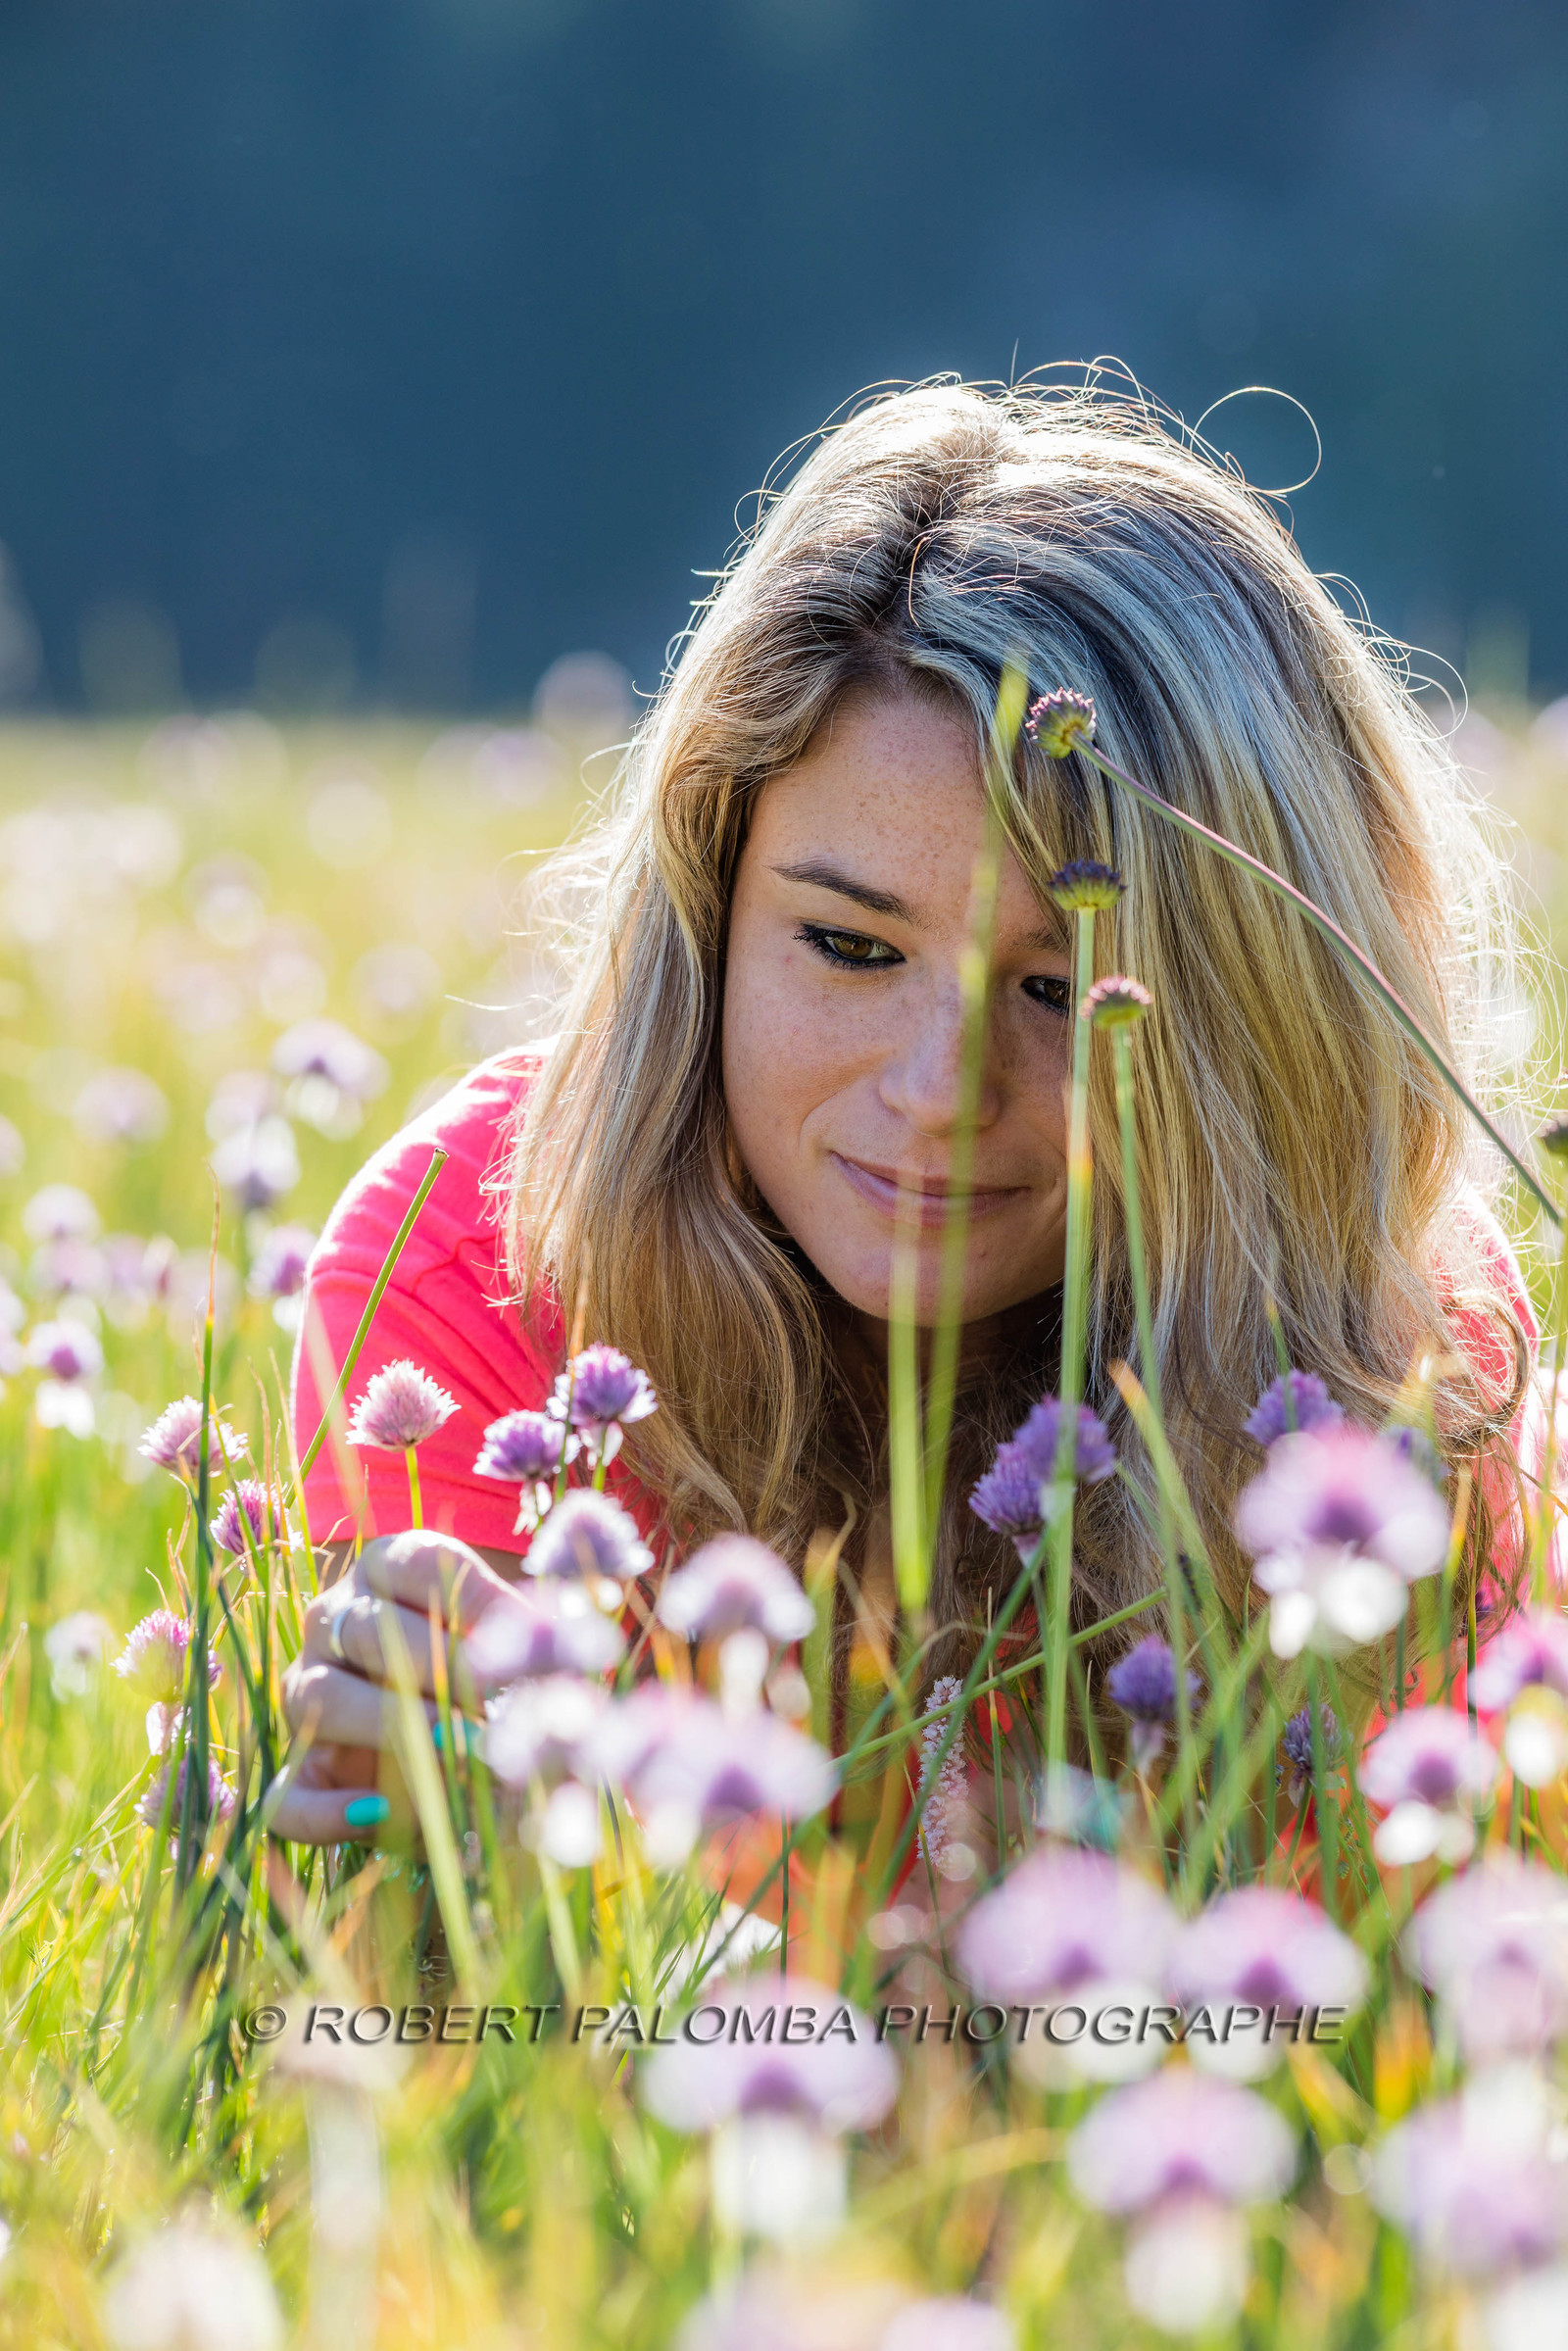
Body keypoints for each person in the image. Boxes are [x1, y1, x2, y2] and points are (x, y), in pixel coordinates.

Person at [274, 377, 1541, 1846]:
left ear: (1256, 1022)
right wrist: (432, 1839)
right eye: (851, 948)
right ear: (708, 910)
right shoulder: (470, 1263)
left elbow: (1383, 1943)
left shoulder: (1395, 1353)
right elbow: (445, 1944)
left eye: (1065, 990)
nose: (940, 1092)